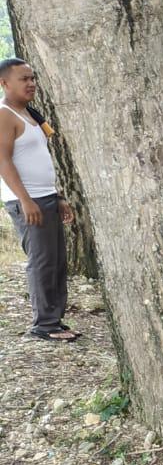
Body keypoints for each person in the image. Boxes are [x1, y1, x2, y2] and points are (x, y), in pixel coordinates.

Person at [0, 58, 78, 343]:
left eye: (32, 78)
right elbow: (3, 161)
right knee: (42, 261)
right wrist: (25, 200)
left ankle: (55, 320)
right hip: (28, 201)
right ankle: (43, 324)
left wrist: (58, 196)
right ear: (4, 83)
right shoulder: (5, 115)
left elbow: (38, 160)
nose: (31, 83)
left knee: (56, 261)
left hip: (46, 197)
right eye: (24, 79)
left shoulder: (30, 113)